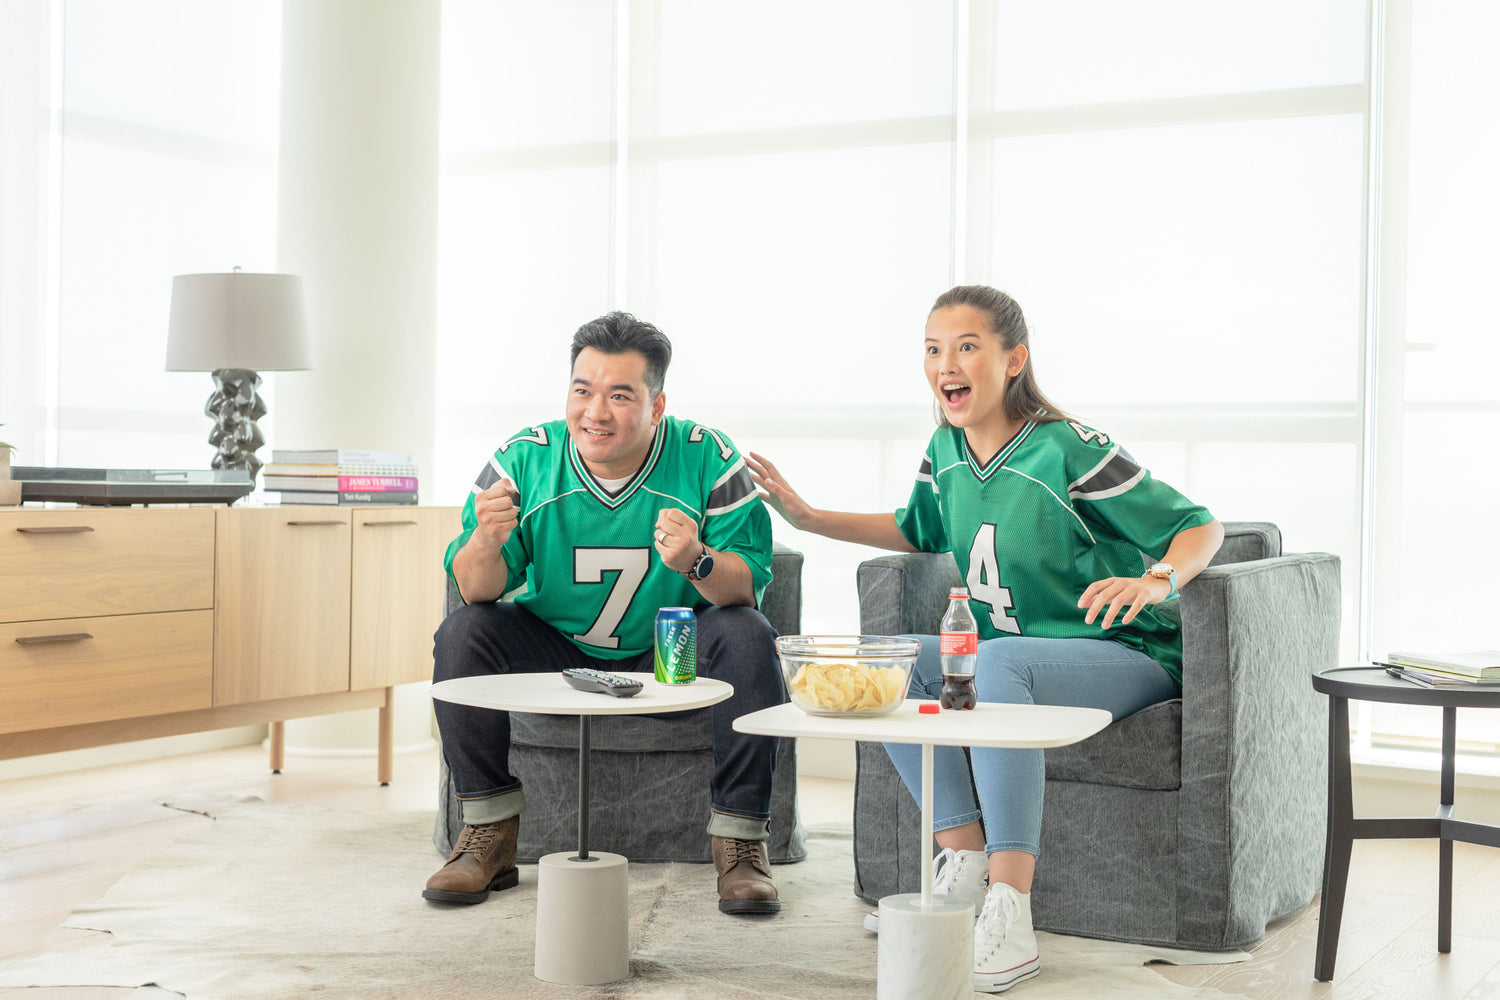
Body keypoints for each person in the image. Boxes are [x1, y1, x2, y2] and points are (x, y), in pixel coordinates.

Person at [746, 284, 1222, 992]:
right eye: (934, 350)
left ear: (1013, 360)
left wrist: (1156, 579)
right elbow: (916, 529)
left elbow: (1199, 525)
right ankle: (963, 858)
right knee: (894, 659)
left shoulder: (1068, 448)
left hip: (1128, 657)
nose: (948, 364)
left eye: (967, 346)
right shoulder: (945, 447)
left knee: (996, 664)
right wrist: (811, 517)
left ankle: (1012, 905)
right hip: (1013, 658)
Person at [426, 311, 786, 916]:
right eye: (582, 390)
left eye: (620, 395)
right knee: (463, 633)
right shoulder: (523, 459)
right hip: (558, 648)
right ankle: (488, 834)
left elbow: (748, 586)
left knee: (748, 634)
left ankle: (741, 843)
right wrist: (485, 541)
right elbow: (474, 589)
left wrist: (697, 560)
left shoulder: (706, 457)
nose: (596, 411)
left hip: (667, 649)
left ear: (656, 404)